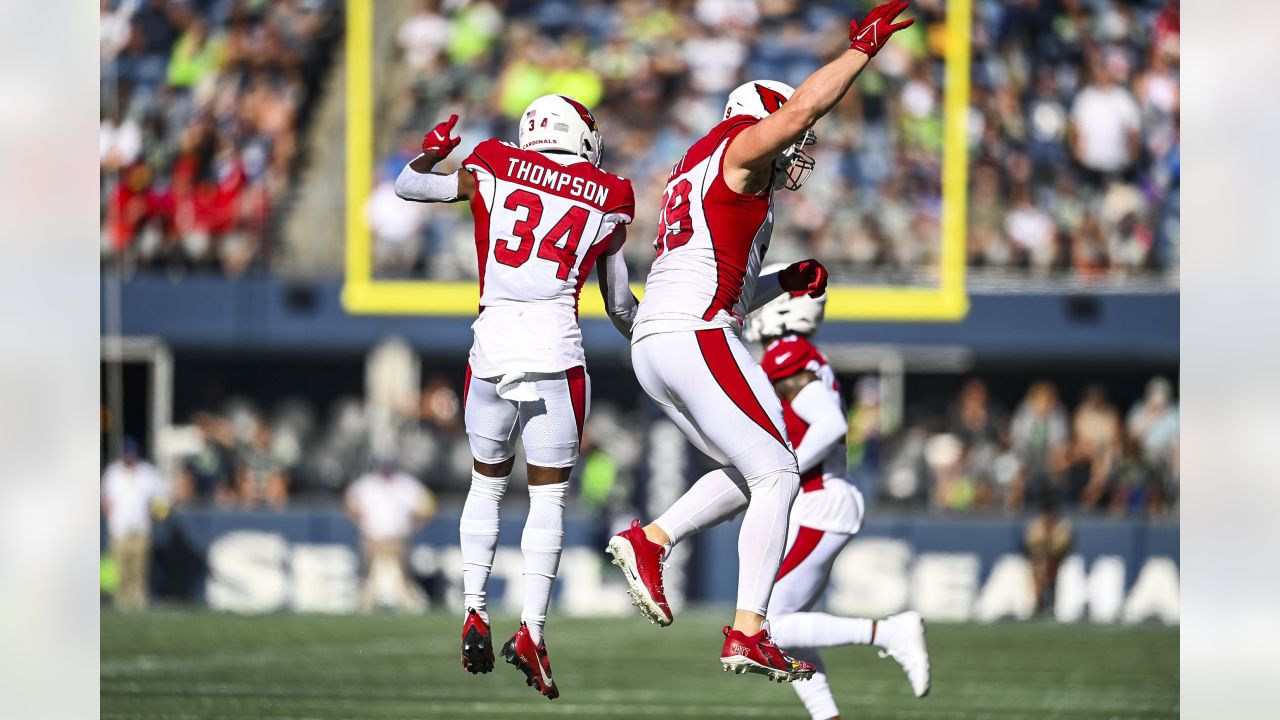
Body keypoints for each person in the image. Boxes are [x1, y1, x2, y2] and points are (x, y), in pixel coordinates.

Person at [604, 0, 915, 684]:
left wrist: (782, 281)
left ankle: (651, 539)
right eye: (788, 140)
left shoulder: (705, 171)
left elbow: (725, 274)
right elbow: (802, 109)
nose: (796, 154)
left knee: (756, 472)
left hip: (660, 336)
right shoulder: (741, 145)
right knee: (779, 470)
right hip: (694, 329)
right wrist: (859, 49)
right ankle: (748, 629)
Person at [395, 95, 637, 699]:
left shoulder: (494, 162)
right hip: (556, 349)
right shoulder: (609, 193)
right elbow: (621, 306)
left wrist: (429, 155)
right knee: (549, 498)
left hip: (493, 344)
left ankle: (474, 608)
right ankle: (531, 629)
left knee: (486, 483)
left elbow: (408, 186)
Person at [746, 280, 931, 717]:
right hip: (820, 499)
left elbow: (829, 426)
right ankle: (827, 715)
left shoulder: (787, 353)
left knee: (765, 625)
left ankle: (889, 632)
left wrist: (783, 471)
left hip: (817, 498)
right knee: (790, 627)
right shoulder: (801, 355)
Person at [345, 458, 436, 612]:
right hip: (373, 539)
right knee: (367, 577)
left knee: (404, 578)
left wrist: (415, 525)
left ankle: (408, 606)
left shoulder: (406, 484)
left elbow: (427, 505)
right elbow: (349, 501)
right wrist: (361, 523)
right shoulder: (367, 484)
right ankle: (363, 606)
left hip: (398, 540)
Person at [101, 439, 169, 610]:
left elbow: (162, 496)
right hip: (119, 529)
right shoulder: (113, 473)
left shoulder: (147, 473)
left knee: (139, 570)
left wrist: (157, 514)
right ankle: (121, 602)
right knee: (121, 570)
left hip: (141, 528)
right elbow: (105, 499)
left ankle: (138, 602)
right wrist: (108, 512)